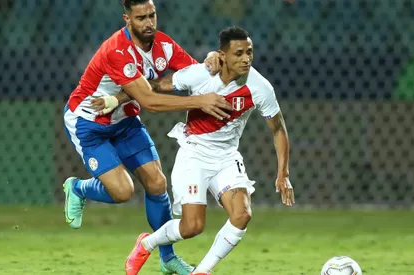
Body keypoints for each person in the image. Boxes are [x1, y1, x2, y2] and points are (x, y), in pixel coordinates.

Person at [62, 1, 231, 275]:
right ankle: (78, 188)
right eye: (141, 18)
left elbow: (193, 73)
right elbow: (150, 102)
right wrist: (200, 102)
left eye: (152, 15)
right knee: (122, 192)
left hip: (124, 120)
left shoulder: (162, 45)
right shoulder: (117, 50)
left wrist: (212, 58)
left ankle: (167, 258)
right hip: (88, 123)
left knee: (156, 182)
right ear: (127, 19)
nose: (149, 22)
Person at [123, 26, 295, 275]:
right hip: (195, 153)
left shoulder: (260, 87)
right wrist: (121, 96)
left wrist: (284, 174)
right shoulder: (200, 75)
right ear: (222, 55)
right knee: (192, 226)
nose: (246, 58)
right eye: (239, 53)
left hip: (227, 157)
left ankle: (201, 271)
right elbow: (160, 86)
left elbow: (278, 129)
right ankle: (146, 243)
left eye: (249, 52)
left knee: (242, 214)